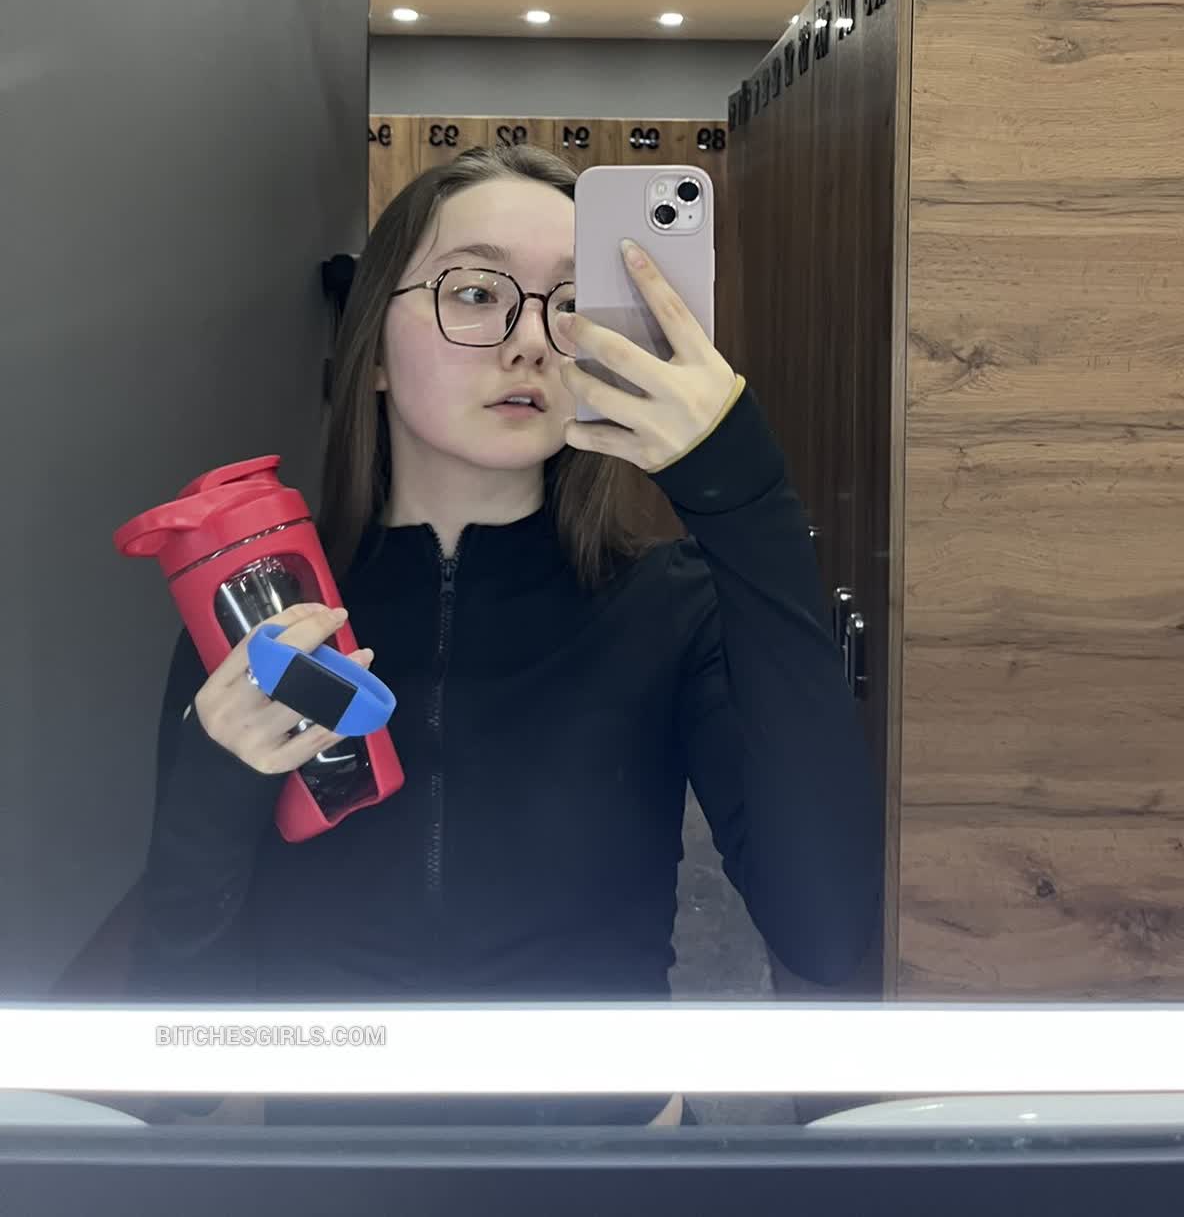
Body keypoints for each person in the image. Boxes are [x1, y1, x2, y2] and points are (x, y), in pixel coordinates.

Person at [129, 143, 882, 1127]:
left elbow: (825, 931)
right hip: (339, 1180)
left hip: (612, 1173)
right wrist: (219, 776)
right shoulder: (267, 626)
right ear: (371, 352)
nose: (530, 341)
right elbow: (172, 1069)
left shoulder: (670, 607)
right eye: (477, 293)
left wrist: (744, 498)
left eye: (571, 305)